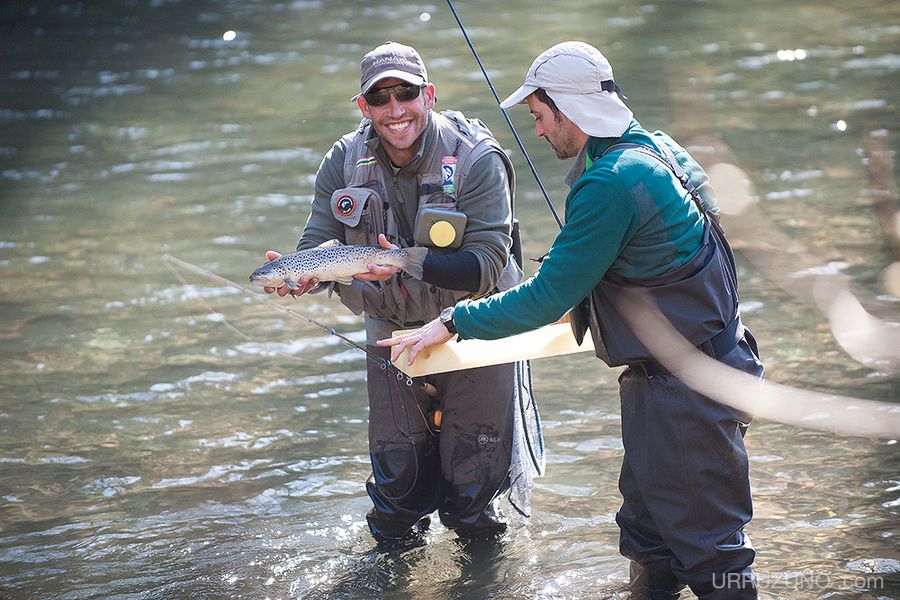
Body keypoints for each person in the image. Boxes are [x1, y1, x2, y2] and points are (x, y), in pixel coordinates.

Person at [381, 41, 764, 598]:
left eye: (539, 116)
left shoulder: (611, 183)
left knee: (712, 555)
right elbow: (701, 222)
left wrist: (453, 320)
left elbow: (542, 297)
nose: (536, 130)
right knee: (648, 533)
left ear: (568, 108)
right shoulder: (656, 148)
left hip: (684, 393)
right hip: (697, 372)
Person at [263, 41, 530, 546]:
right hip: (390, 332)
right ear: (363, 107)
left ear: (428, 95)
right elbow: (315, 245)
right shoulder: (342, 161)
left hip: (474, 327)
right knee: (396, 493)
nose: (395, 109)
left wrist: (409, 262)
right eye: (379, 98)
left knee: (473, 492)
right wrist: (300, 274)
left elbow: (489, 265)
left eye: (405, 93)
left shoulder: (475, 159)